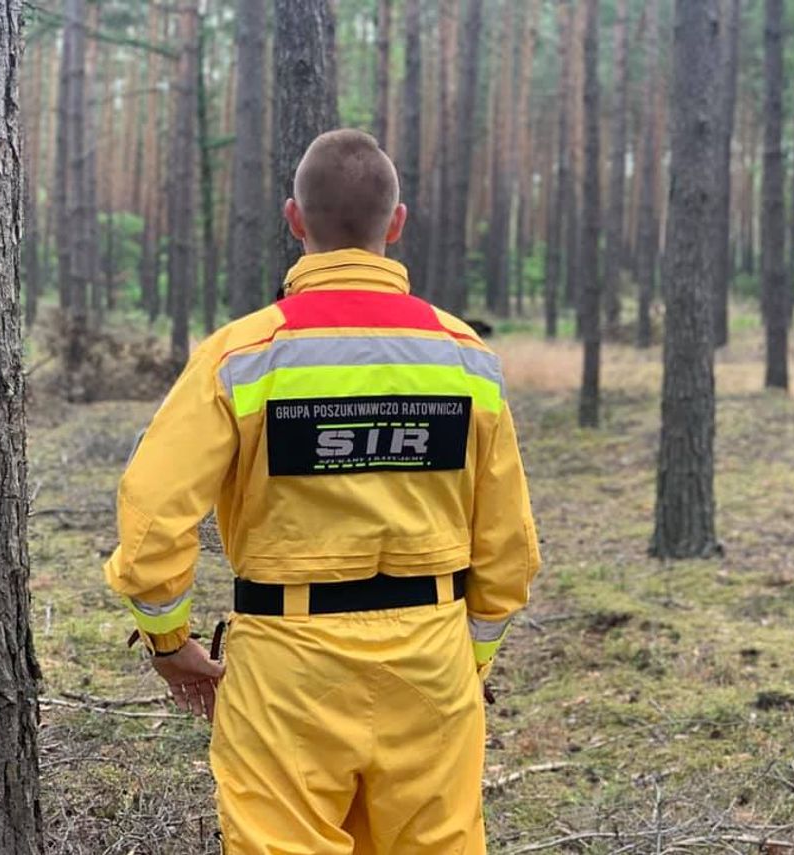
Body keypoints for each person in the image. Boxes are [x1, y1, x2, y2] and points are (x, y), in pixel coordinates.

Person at [103, 128, 541, 854]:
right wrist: (473, 658)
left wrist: (169, 639)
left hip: (286, 669)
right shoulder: (467, 359)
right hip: (431, 662)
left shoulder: (243, 356)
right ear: (395, 225)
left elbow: (153, 516)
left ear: (294, 218)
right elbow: (508, 543)